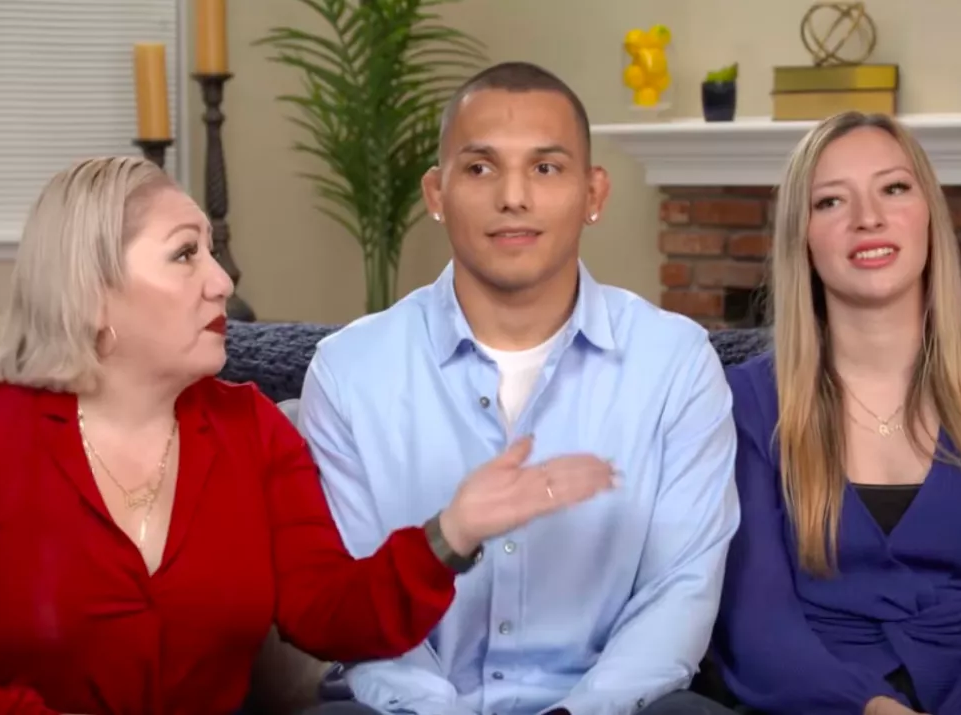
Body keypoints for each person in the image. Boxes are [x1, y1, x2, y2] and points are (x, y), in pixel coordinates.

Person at [0, 156, 617, 715]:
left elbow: (328, 612)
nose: (222, 280)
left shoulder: (249, 429)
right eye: (185, 253)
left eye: (211, 252)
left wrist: (451, 532)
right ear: (91, 289)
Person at [295, 61, 741, 715]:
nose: (513, 196)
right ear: (435, 192)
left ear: (593, 193)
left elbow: (680, 591)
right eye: (479, 168)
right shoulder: (349, 370)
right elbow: (360, 601)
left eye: (545, 168)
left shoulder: (674, 362)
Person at [713, 111, 961, 715]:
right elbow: (755, 626)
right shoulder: (747, 403)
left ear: (928, 213)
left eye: (894, 188)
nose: (868, 217)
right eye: (830, 202)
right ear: (802, 238)